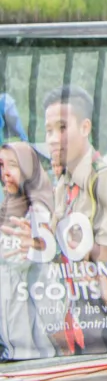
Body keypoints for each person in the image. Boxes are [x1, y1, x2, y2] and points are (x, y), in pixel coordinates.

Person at [41, 85, 107, 354]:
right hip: (75, 307)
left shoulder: (102, 178)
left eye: (62, 128)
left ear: (85, 127)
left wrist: (76, 245)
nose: (53, 139)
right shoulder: (63, 185)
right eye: (48, 130)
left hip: (105, 313)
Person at [0, 140, 55, 360]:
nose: (5, 172)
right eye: (1, 165)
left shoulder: (39, 211)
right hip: (9, 344)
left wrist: (37, 244)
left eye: (13, 165)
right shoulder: (6, 207)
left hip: (36, 352)